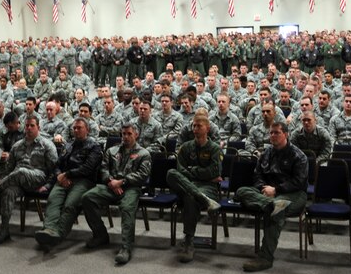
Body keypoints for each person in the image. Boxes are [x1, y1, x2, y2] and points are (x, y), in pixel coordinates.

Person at [234, 122, 308, 272]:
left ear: (285, 134)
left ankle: (265, 258)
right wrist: (263, 188)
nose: (272, 136)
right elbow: (257, 175)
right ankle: (270, 204)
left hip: (293, 194)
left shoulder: (298, 156)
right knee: (242, 191)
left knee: (277, 209)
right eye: (271, 133)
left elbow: (299, 182)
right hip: (267, 193)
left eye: (276, 133)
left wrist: (276, 189)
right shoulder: (266, 153)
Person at [0, 116, 57, 245]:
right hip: (17, 180)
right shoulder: (17, 146)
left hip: (37, 179)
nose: (28, 128)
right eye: (27, 125)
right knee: (8, 191)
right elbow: (8, 169)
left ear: (38, 127)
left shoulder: (47, 145)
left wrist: (47, 186)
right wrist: (5, 179)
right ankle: (4, 230)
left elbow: (54, 170)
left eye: (32, 126)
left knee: (21, 171)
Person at [81, 122, 152, 265]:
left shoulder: (143, 153)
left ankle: (126, 248)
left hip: (131, 187)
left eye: (129, 134)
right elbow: (103, 169)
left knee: (126, 208)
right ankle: (100, 235)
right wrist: (110, 181)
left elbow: (143, 175)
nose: (125, 137)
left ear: (136, 135)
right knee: (87, 197)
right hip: (111, 185)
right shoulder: (111, 151)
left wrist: (122, 182)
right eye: (123, 134)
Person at [34, 118, 103, 252]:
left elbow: (87, 168)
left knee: (70, 205)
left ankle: (58, 234)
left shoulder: (94, 146)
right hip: (64, 179)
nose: (76, 130)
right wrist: (60, 175)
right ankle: (48, 229)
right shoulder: (69, 144)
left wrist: (67, 174)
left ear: (87, 130)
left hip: (84, 181)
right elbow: (57, 165)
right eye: (74, 128)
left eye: (79, 128)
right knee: (53, 200)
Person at [167, 113, 223, 263]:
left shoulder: (215, 148)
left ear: (207, 128)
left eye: (199, 126)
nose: (195, 129)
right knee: (171, 173)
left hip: (208, 187)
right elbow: (180, 170)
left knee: (190, 198)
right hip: (187, 184)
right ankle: (204, 200)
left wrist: (192, 172)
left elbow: (215, 172)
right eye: (194, 126)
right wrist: (200, 173)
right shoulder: (186, 147)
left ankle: (189, 241)